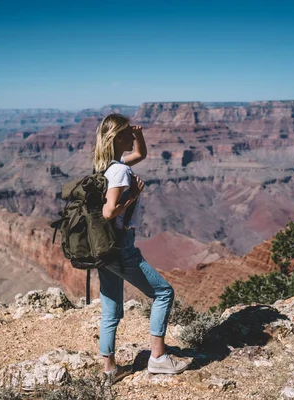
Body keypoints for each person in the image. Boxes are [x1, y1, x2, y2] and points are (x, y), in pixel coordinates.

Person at [93, 113, 190, 385]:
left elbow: (141, 154)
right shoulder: (120, 171)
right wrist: (133, 195)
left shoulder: (105, 166)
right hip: (121, 247)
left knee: (111, 310)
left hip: (104, 248)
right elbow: (109, 210)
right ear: (117, 137)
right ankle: (158, 358)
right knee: (163, 292)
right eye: (126, 133)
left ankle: (109, 370)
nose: (130, 138)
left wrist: (139, 135)